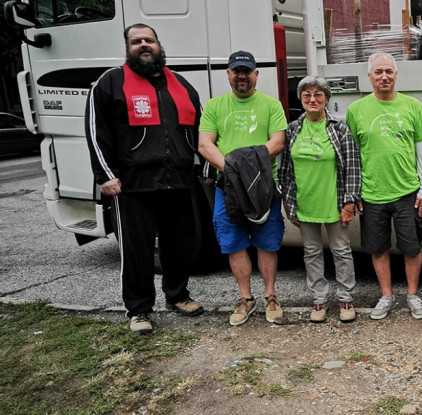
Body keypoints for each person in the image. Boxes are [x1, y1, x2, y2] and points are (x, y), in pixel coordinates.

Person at [85, 23, 204, 334]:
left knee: (181, 244)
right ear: (128, 48)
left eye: (148, 40)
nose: (143, 45)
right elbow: (96, 133)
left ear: (158, 44)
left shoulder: (180, 84)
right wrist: (105, 175)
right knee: (137, 251)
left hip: (179, 181)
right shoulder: (110, 83)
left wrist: (202, 168)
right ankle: (139, 310)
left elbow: (199, 131)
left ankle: (177, 296)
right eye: (136, 41)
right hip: (132, 184)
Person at [198, 51, 287, 326]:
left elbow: (278, 142)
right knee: (234, 242)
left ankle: (270, 296)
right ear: (228, 74)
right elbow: (205, 144)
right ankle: (246, 298)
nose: (241, 76)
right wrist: (234, 170)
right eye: (236, 71)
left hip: (264, 188)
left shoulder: (271, 105)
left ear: (256, 75)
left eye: (247, 71)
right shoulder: (214, 106)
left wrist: (246, 167)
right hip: (227, 188)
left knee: (267, 242)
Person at [346, 52, 422, 321]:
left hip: (407, 191)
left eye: (388, 71)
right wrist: (354, 191)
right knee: (378, 248)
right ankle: (386, 296)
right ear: (369, 77)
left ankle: (412, 295)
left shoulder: (413, 106)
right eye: (378, 72)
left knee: (412, 248)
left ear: (396, 75)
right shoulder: (356, 110)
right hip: (372, 194)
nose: (384, 76)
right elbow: (353, 155)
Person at [280, 76, 361, 323]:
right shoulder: (293, 129)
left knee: (341, 252)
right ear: (301, 99)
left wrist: (349, 203)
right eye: (307, 95)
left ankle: (346, 299)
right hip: (305, 204)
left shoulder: (339, 129)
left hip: (334, 204)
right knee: (311, 253)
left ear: (327, 99)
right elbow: (286, 170)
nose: (312, 99)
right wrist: (290, 204)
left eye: (318, 94)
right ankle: (319, 300)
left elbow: (353, 167)